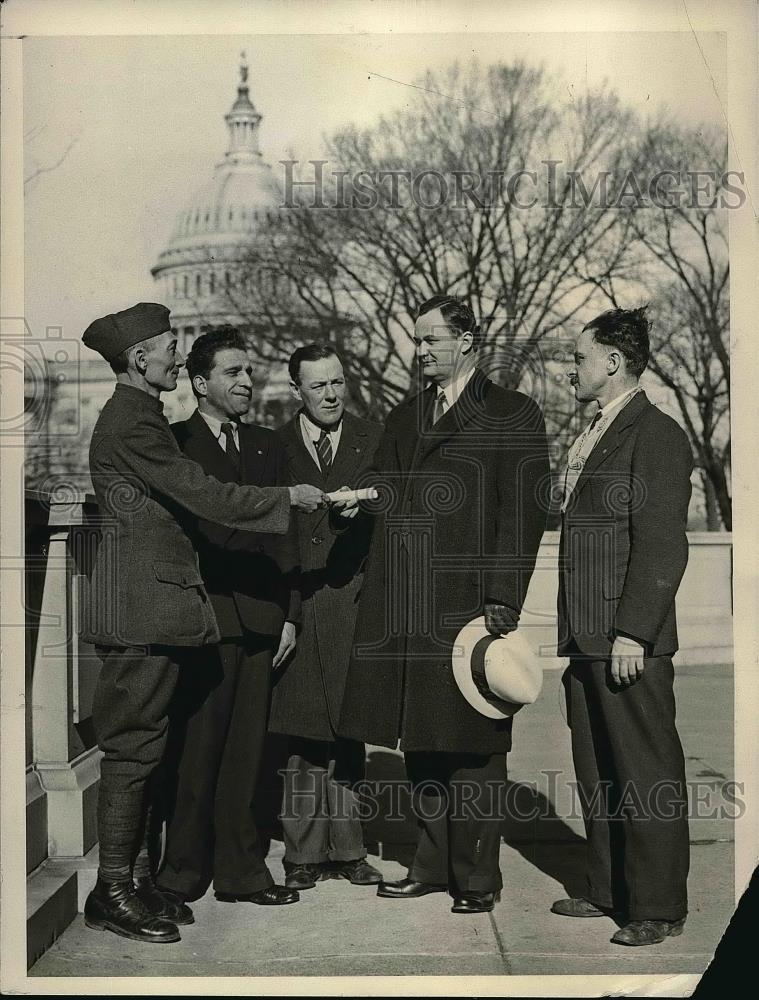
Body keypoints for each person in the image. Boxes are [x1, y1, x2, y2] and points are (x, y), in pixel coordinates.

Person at [80, 303, 325, 944]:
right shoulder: (133, 422)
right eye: (167, 347)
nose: (174, 357)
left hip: (152, 608)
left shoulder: (141, 417)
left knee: (145, 749)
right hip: (142, 609)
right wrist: (286, 498)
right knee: (133, 753)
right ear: (140, 358)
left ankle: (131, 885)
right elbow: (205, 494)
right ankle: (112, 892)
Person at [338, 295, 550, 914]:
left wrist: (503, 600)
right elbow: (385, 483)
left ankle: (478, 878)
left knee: (477, 746)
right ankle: (430, 866)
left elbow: (523, 514)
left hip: (469, 608)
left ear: (467, 341)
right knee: (423, 744)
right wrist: (362, 497)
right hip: (407, 608)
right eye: (417, 340)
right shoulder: (405, 418)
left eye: (432, 339)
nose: (421, 350)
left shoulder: (513, 412)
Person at [552, 306, 692, 947]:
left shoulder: (655, 433)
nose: (570, 367)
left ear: (612, 362)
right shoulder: (601, 430)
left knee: (646, 772)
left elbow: (662, 545)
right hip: (588, 638)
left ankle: (659, 906)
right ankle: (609, 888)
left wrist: (634, 632)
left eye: (579, 357)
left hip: (625, 640)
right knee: (597, 768)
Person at [156, 328, 300, 907]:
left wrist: (291, 613)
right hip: (206, 618)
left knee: (248, 756)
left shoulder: (267, 446)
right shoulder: (175, 444)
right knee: (195, 752)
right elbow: (204, 528)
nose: (246, 382)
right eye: (232, 373)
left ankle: (243, 873)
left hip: (263, 618)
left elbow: (286, 536)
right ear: (199, 383)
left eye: (249, 372)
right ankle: (180, 875)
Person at [268, 344, 384, 890]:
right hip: (296, 600)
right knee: (299, 734)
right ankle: (302, 854)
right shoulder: (274, 447)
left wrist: (368, 510)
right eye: (319, 386)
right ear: (297, 391)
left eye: (338, 382)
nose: (332, 395)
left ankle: (350, 849)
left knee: (347, 728)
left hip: (351, 599)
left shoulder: (373, 437)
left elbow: (397, 506)